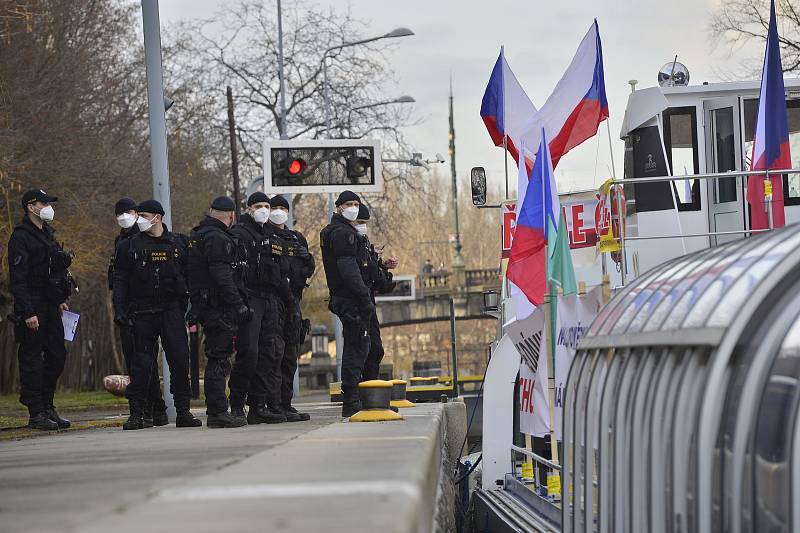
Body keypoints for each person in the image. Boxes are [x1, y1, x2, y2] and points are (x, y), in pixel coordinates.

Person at [112, 200, 200, 430]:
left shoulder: (179, 244)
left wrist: (194, 307)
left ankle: (183, 412)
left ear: (157, 217)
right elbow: (119, 281)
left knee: (180, 360)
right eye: (138, 214)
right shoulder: (128, 246)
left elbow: (192, 276)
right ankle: (138, 413)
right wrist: (120, 309)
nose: (139, 219)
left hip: (171, 309)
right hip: (141, 311)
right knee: (140, 364)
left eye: (144, 215)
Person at [8, 189, 74, 430]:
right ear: (30, 206)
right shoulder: (21, 237)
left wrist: (59, 299)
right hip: (32, 306)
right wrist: (27, 311)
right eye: (43, 203)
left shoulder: (48, 234)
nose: (47, 206)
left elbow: (53, 272)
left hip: (50, 305)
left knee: (57, 355)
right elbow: (19, 278)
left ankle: (47, 405)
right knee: (32, 360)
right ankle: (36, 412)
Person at [187, 196, 252, 428]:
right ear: (232, 215)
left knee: (218, 356)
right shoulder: (217, 238)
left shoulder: (199, 235)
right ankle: (217, 411)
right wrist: (238, 304)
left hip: (208, 304)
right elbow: (222, 276)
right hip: (220, 306)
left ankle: (217, 409)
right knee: (219, 359)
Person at [228, 192, 288, 425]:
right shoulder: (240, 233)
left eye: (266, 205)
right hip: (250, 298)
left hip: (270, 299)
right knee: (249, 353)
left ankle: (258, 406)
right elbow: (234, 271)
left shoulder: (271, 234)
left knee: (267, 354)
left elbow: (279, 270)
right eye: (259, 206)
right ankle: (236, 404)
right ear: (249, 208)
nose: (264, 209)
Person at [108, 197, 167, 426]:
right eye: (120, 212)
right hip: (128, 309)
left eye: (130, 212)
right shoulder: (121, 241)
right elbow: (117, 278)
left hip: (143, 307)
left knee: (143, 361)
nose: (125, 216)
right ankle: (155, 408)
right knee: (139, 360)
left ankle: (152, 408)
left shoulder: (141, 239)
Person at [320, 190, 374, 417]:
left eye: (356, 203)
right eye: (349, 204)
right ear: (339, 207)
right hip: (350, 298)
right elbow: (349, 270)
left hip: (345, 297)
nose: (353, 207)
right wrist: (363, 296)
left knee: (360, 344)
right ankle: (351, 399)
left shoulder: (336, 231)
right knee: (357, 345)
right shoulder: (343, 233)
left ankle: (358, 397)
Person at [267, 195, 313, 422]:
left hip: (293, 302)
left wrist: (308, 261)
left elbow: (307, 268)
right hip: (273, 302)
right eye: (273, 208)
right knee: (274, 355)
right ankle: (272, 404)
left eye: (281, 208)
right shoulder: (265, 236)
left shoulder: (297, 239)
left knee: (290, 356)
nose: (277, 212)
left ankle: (286, 403)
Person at [354, 204, 398, 381]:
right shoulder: (349, 244)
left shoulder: (365, 246)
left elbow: (377, 279)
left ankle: (369, 388)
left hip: (368, 301)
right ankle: (359, 391)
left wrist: (380, 264)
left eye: (365, 222)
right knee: (363, 348)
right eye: (360, 222)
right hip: (358, 303)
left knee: (375, 348)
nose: (362, 226)